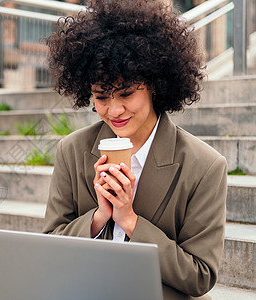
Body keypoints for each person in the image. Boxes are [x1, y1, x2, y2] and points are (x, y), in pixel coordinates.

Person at [42, 1, 227, 299]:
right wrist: (98, 217)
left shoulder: (204, 166)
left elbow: (200, 275)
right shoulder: (72, 150)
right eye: (101, 97)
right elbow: (49, 246)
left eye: (126, 93)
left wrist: (129, 220)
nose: (114, 110)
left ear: (154, 84)